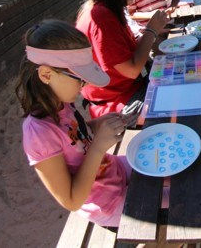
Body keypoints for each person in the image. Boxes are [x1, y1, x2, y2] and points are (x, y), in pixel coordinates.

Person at [16, 19, 135, 229]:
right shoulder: (38, 134)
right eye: (78, 77)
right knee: (181, 205)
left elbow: (74, 139)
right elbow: (71, 201)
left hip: (115, 171)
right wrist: (98, 147)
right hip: (107, 203)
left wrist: (98, 124)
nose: (84, 83)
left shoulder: (60, 102)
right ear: (46, 74)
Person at [76, 0, 169, 118]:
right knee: (173, 97)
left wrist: (150, 33)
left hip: (123, 89)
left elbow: (125, 52)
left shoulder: (106, 7)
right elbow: (132, 70)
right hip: (115, 101)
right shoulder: (101, 18)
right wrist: (151, 31)